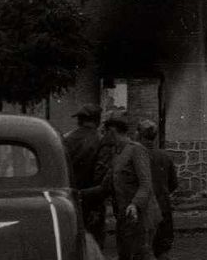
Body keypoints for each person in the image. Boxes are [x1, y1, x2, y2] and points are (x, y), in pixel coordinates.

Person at [82, 113, 161, 260]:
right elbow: (105, 187)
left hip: (141, 216)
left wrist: (135, 204)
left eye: (103, 132)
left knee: (141, 255)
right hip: (125, 217)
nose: (101, 137)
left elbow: (145, 184)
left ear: (112, 131)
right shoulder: (116, 153)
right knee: (125, 254)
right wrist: (79, 194)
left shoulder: (136, 150)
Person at [63, 104, 106, 244]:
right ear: (97, 120)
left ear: (80, 120)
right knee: (93, 243)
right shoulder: (101, 140)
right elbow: (100, 175)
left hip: (68, 196)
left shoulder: (66, 138)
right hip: (92, 198)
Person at [137, 119, 178, 260]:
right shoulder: (165, 156)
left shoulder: (135, 155)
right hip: (163, 207)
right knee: (162, 250)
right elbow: (173, 183)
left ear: (139, 135)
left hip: (143, 210)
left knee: (143, 250)